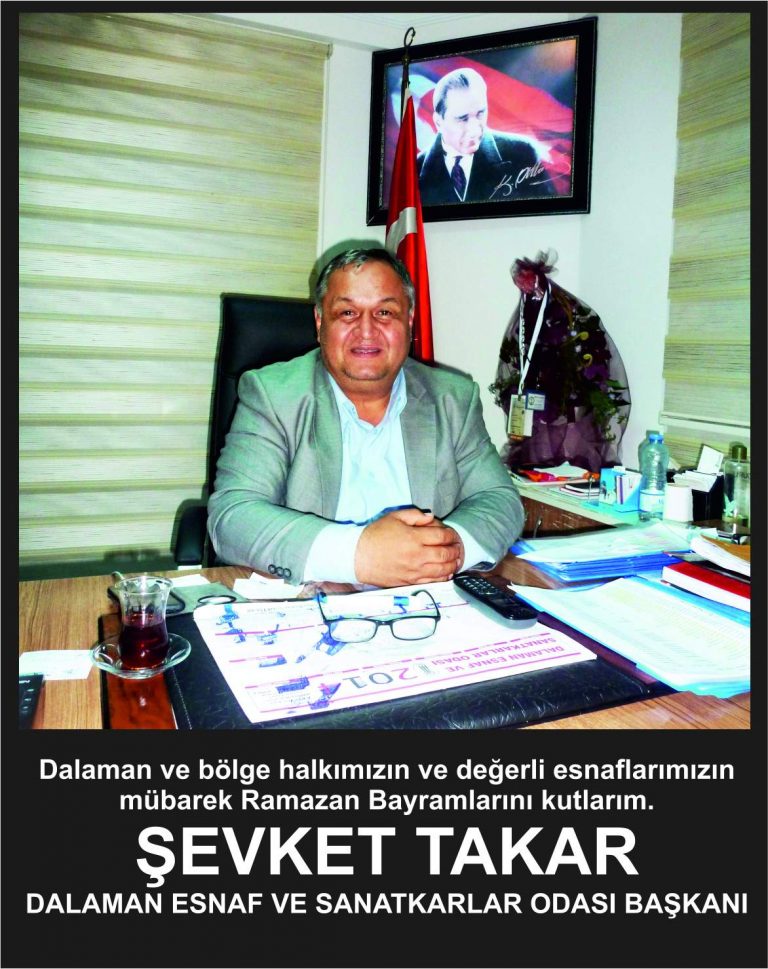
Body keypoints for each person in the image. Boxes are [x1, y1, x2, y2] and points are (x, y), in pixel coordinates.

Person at [208, 247, 524, 587]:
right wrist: (358, 556)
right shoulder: (274, 395)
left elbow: (500, 500)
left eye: (385, 312)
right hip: (317, 600)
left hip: (427, 600)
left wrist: (448, 550)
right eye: (347, 313)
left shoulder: (452, 399)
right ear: (320, 322)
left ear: (409, 321)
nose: (367, 331)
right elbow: (233, 516)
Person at [489, 250, 631, 474]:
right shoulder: (525, 323)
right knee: (533, 473)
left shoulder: (570, 317)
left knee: (581, 472)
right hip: (539, 416)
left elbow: (594, 365)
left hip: (574, 414)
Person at [417, 67, 554, 205]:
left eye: (480, 114)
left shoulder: (524, 153)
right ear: (438, 122)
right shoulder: (413, 171)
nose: (474, 129)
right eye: (462, 119)